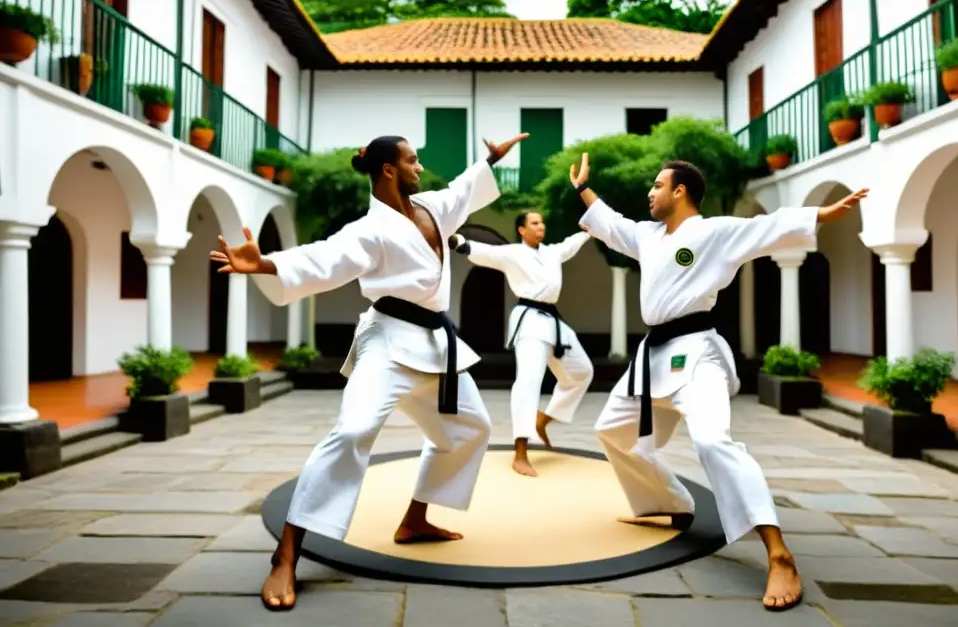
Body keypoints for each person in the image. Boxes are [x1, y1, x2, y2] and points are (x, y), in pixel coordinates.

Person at [210, 133, 527, 611]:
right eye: (412, 160)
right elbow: (325, 256)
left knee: (471, 428)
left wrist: (489, 159)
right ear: (387, 170)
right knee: (353, 430)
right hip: (388, 341)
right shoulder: (369, 229)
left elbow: (464, 189)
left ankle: (415, 519)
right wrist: (267, 264)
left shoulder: (432, 207)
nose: (420, 166)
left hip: (438, 346)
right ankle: (287, 553)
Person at [570, 152, 867, 612]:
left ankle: (778, 552)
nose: (650, 193)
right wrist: (583, 187)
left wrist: (820, 213)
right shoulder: (648, 236)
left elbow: (766, 229)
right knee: (610, 431)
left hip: (696, 354)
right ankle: (669, 502)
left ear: (680, 191)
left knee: (712, 443)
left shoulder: (713, 232)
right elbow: (609, 223)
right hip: (652, 358)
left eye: (656, 185)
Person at [449, 210, 594, 477]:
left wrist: (590, 229)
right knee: (529, 380)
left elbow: (572, 243)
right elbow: (483, 251)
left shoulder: (552, 252)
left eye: (542, 222)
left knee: (582, 371)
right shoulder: (513, 253)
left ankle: (544, 419)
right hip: (529, 321)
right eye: (535, 223)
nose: (541, 226)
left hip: (553, 321)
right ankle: (521, 451)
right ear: (521, 230)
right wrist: (457, 241)